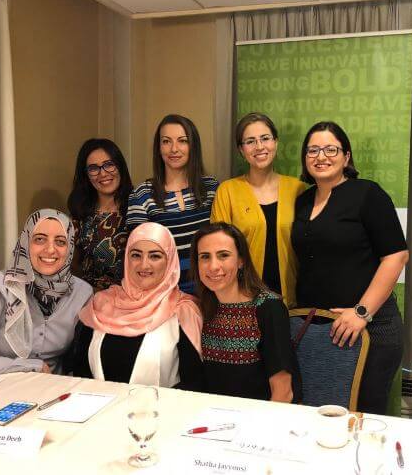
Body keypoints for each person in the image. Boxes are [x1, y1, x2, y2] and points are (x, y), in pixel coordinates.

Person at [291, 121, 409, 414]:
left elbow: (396, 256)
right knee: (319, 415)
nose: (321, 156)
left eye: (331, 149)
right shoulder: (302, 201)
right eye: (313, 150)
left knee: (362, 416)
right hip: (319, 330)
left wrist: (361, 313)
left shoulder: (368, 194)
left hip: (369, 328)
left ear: (346, 156)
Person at [0, 209, 93, 376]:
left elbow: (82, 360)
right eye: (40, 239)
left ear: (70, 248)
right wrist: (31, 366)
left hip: (53, 387)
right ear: (25, 242)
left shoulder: (82, 293)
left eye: (60, 241)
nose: (50, 249)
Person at [71, 223, 203, 388]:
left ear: (169, 261)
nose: (144, 265)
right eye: (136, 255)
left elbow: (194, 383)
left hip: (161, 404)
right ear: (127, 259)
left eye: (155, 256)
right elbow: (81, 372)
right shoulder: (101, 303)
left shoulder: (183, 310)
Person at [191, 222, 301, 402]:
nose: (213, 266)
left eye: (224, 255)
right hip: (211, 413)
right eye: (205, 257)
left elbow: (283, 392)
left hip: (261, 414)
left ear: (241, 260)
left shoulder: (268, 307)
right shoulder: (199, 308)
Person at [211, 113, 305, 306]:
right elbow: (218, 250)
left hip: (293, 302)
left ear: (276, 142)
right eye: (250, 141)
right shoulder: (227, 191)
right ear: (241, 149)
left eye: (265, 138)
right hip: (242, 301)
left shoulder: (298, 189)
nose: (259, 146)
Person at [127, 114, 218, 294]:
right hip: (165, 296)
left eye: (182, 141)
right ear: (158, 148)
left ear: (193, 146)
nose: (174, 149)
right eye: (166, 141)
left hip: (212, 291)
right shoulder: (142, 195)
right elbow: (137, 257)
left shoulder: (212, 188)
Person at [67, 138, 133, 291]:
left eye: (109, 164)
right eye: (93, 168)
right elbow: (71, 269)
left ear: (120, 166)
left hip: (132, 298)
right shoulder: (79, 214)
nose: (103, 173)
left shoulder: (137, 208)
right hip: (89, 298)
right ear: (86, 175)